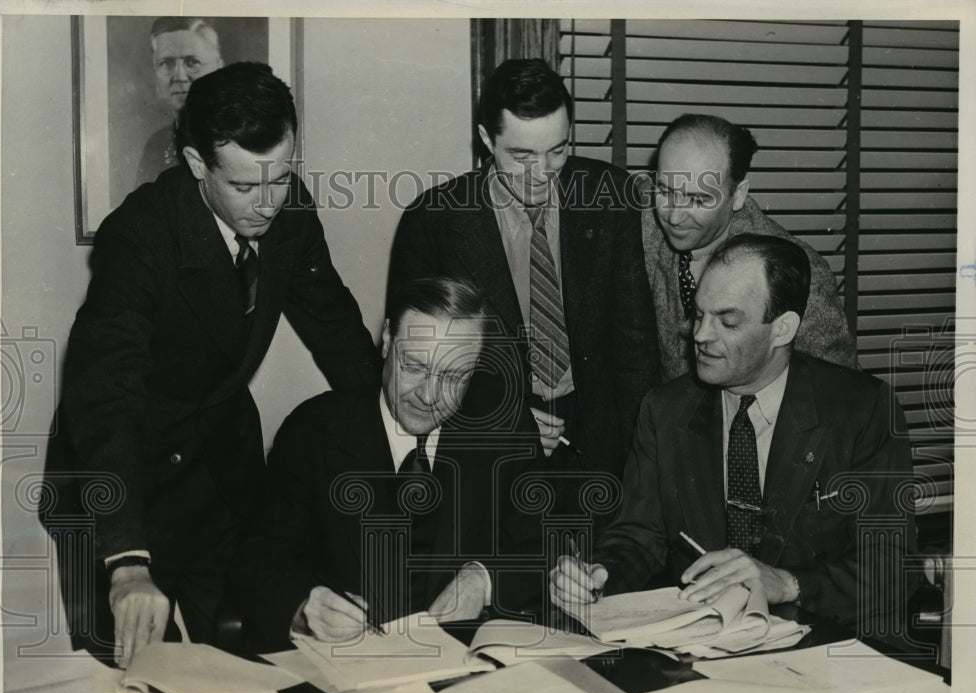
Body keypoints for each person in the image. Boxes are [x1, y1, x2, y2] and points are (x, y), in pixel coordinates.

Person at [41, 62, 380, 666]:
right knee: (136, 687)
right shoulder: (140, 237)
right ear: (197, 165)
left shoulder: (288, 210)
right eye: (246, 187)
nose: (269, 204)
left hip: (221, 472)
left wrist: (407, 420)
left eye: (281, 179)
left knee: (247, 669)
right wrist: (126, 561)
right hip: (120, 484)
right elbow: (106, 397)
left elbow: (340, 335)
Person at [551, 233, 916, 637]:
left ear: (782, 329)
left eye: (727, 321)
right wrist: (600, 573)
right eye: (699, 314)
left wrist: (785, 582)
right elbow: (639, 535)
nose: (701, 335)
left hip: (826, 647)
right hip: (704, 645)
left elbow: (891, 567)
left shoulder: (861, 410)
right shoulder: (665, 410)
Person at [389, 58, 659, 481]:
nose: (542, 173)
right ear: (486, 139)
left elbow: (634, 344)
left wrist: (647, 455)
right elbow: (416, 359)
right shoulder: (434, 220)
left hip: (598, 434)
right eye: (522, 155)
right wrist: (506, 419)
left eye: (557, 150)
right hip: (488, 439)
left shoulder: (611, 198)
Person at [239, 277, 545, 650]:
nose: (429, 396)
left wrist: (484, 580)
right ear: (387, 340)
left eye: (453, 376)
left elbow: (542, 547)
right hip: (352, 673)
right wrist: (302, 607)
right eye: (415, 366)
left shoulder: (505, 430)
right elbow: (261, 560)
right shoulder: (315, 432)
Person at [643, 114, 857, 381]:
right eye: (665, 191)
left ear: (739, 194)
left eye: (697, 200)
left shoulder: (795, 273)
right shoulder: (646, 219)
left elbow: (838, 387)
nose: (674, 217)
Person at [135, 17, 224, 186]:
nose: (179, 77)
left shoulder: (240, 138)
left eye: (192, 62)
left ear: (219, 70)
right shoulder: (155, 145)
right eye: (166, 63)